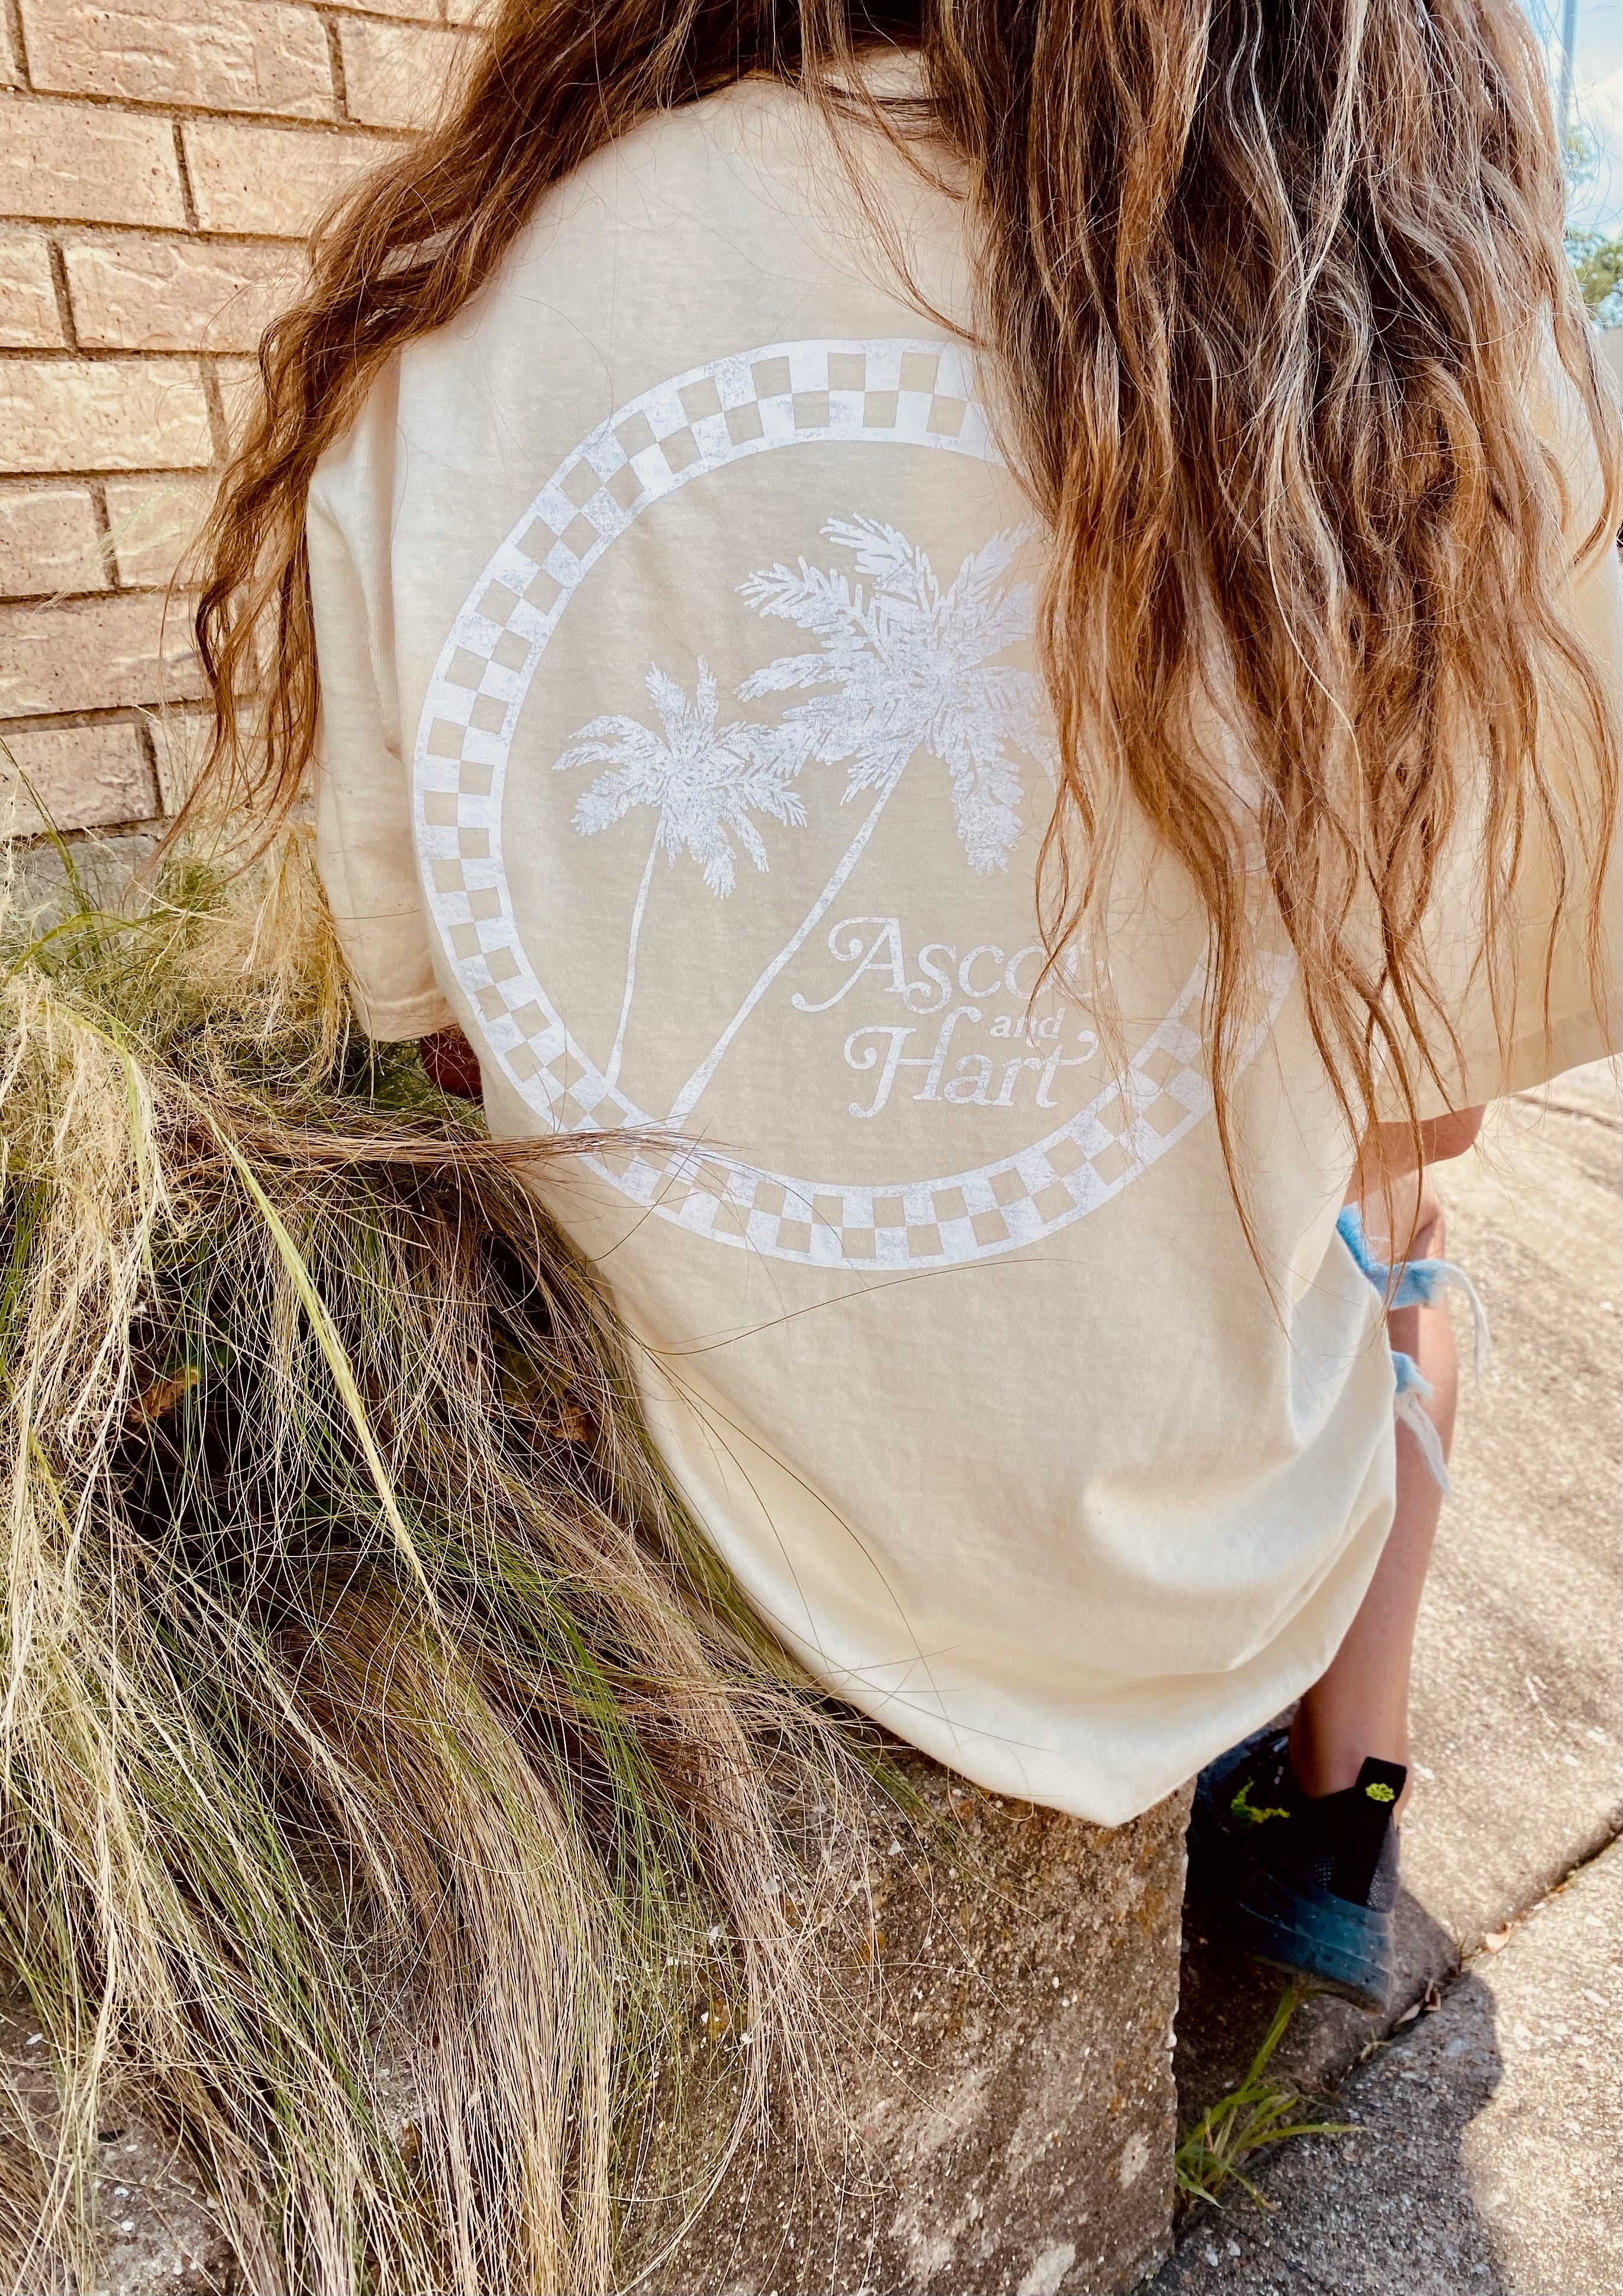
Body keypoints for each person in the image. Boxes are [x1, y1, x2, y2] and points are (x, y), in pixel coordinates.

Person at [184, 0, 1621, 2010]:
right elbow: (1420, 1106)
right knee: (1409, 1249)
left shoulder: (465, 296)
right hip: (1166, 1583)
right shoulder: (1397, 343)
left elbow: (444, 1035)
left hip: (692, 1527)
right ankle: (1332, 1822)